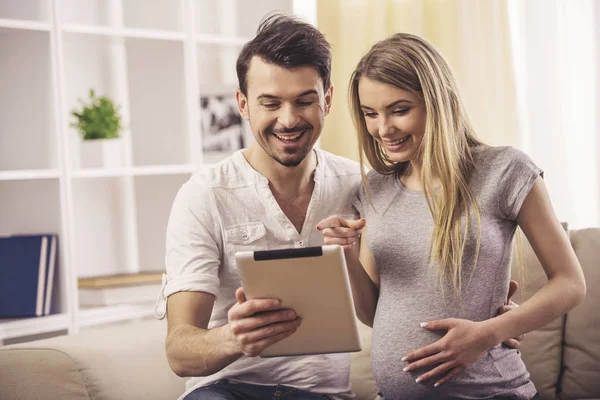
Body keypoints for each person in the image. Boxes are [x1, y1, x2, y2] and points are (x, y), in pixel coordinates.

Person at [162, 14, 525, 400]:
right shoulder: (205, 195)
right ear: (243, 104)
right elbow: (179, 352)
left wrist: (490, 320)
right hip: (227, 389)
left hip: (326, 394)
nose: (288, 119)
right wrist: (232, 338)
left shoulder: (364, 186)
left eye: (305, 101)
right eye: (270, 103)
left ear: (328, 101)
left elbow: (404, 294)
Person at [317, 32, 587, 400]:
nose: (383, 129)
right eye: (370, 114)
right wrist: (346, 253)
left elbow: (570, 282)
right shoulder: (373, 189)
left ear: (438, 102)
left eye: (399, 110)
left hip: (490, 392)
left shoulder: (505, 170)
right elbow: (372, 313)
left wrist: (490, 332)